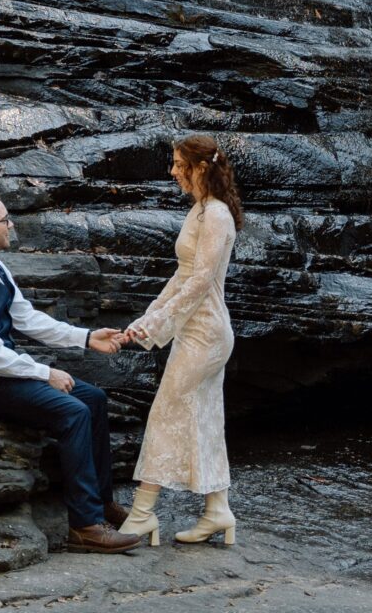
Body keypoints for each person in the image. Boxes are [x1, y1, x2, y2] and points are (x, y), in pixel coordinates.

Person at [0, 188, 140, 554]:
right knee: (73, 412)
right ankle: (84, 526)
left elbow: (28, 319)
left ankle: (101, 502)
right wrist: (45, 373)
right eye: (4, 220)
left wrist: (86, 337)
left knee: (93, 399)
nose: (11, 225)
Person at [118, 134, 243, 547]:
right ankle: (217, 510)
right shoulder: (200, 209)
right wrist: (149, 317)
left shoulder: (217, 215)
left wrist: (157, 324)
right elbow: (181, 276)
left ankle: (141, 515)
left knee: (165, 413)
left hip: (206, 333)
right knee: (205, 415)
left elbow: (201, 282)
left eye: (178, 164)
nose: (172, 172)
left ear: (200, 167)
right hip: (195, 329)